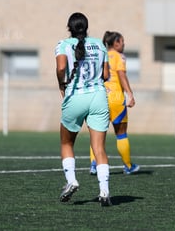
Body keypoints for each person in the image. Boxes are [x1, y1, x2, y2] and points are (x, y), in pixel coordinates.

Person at [55, 12, 112, 206]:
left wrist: (61, 84)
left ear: (69, 28)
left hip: (75, 97)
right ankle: (104, 191)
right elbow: (105, 74)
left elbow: (61, 68)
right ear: (86, 27)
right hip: (98, 97)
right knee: (99, 148)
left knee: (66, 143)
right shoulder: (99, 44)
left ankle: (71, 181)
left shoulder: (63, 45)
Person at [89, 31, 140, 175]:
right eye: (122, 41)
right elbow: (121, 75)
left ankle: (94, 165)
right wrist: (129, 93)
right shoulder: (119, 57)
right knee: (121, 133)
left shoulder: (100, 54)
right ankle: (128, 166)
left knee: (96, 134)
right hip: (116, 99)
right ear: (116, 43)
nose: (123, 44)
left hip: (100, 98)